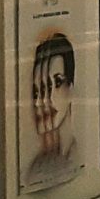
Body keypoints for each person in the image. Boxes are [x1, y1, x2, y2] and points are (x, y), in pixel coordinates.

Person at [24, 32, 79, 189]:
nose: (41, 101)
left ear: (71, 87)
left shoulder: (77, 157)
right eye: (37, 92)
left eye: (55, 83)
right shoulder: (35, 171)